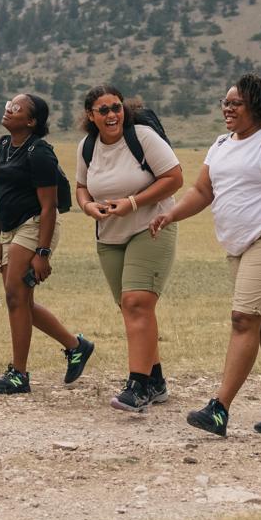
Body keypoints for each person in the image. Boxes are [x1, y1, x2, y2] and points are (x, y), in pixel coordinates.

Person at [148, 74, 261, 437]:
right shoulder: (221, 144)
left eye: (236, 103)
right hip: (239, 247)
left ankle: (219, 408)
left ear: (257, 107)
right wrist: (171, 214)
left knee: (244, 319)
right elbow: (202, 189)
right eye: (225, 103)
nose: (227, 109)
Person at [74, 86, 184, 412]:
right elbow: (81, 187)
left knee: (137, 303)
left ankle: (137, 386)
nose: (112, 115)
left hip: (151, 227)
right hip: (109, 235)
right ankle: (157, 380)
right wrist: (87, 207)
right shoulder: (87, 146)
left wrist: (133, 203)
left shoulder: (143, 137)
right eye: (103, 110)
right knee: (130, 308)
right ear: (91, 116)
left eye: (116, 107)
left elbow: (175, 177)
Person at [0, 92, 94, 394]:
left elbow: (48, 207)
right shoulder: (2, 146)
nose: (9, 109)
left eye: (17, 108)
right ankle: (76, 346)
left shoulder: (39, 153)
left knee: (14, 296)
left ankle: (19, 374)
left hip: (34, 225)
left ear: (31, 121)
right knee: (19, 300)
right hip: (7, 230)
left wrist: (43, 254)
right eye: (9, 104)